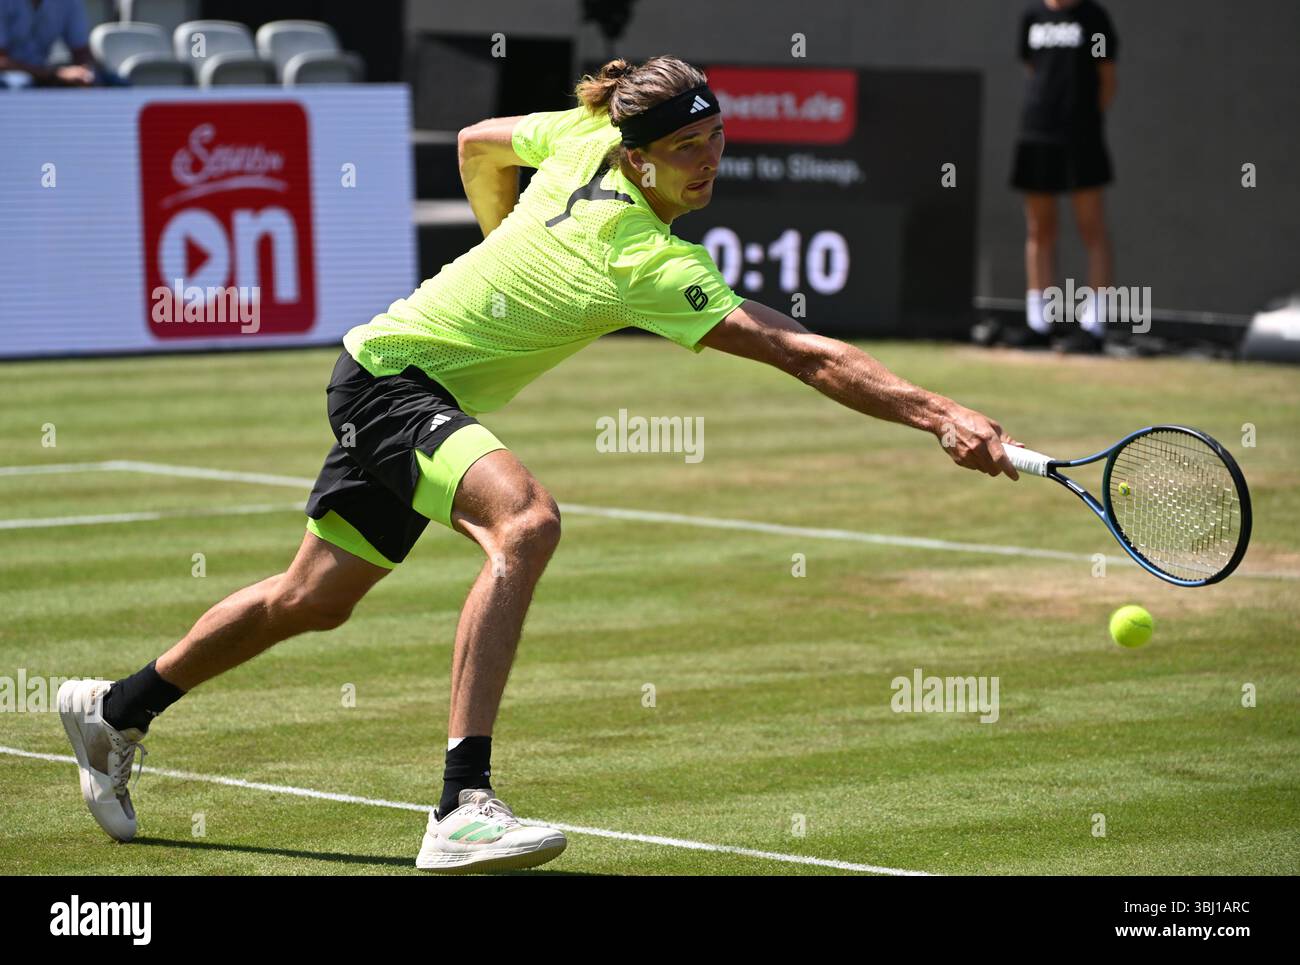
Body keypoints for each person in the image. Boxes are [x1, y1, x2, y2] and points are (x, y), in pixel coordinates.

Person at [58, 55, 1022, 874]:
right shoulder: (640, 256)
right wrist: (939, 414)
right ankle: (460, 804)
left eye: (717, 141)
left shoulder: (579, 134)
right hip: (395, 377)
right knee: (526, 521)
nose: (710, 164)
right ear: (637, 157)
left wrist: (498, 236)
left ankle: (114, 710)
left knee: (314, 597)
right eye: (688, 152)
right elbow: (801, 352)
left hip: (397, 375)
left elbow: (478, 141)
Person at [1004, 0, 1119, 353]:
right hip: (1036, 135)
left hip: (1081, 139)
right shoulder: (1032, 18)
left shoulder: (1093, 18)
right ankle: (1038, 323)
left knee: (1091, 228)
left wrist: (1082, 121)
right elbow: (1031, 68)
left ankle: (1093, 327)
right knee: (1039, 229)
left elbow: (1107, 80)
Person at [0, 0, 95, 89]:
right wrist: (55, 74)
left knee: (97, 80)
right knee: (19, 82)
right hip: (11, 78)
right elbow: (2, 61)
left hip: (46, 74)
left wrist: (83, 74)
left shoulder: (70, 2)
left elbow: (81, 52)